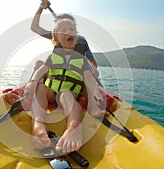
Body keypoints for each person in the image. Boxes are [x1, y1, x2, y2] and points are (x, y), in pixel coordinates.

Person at [24, 19, 104, 154]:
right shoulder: (53, 56)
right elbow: (41, 70)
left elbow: (88, 77)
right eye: (64, 30)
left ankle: (73, 128)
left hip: (68, 92)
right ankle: (37, 124)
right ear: (56, 38)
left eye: (72, 30)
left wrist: (95, 89)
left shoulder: (82, 59)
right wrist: (33, 82)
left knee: (67, 95)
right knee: (41, 89)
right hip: (51, 92)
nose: (69, 32)